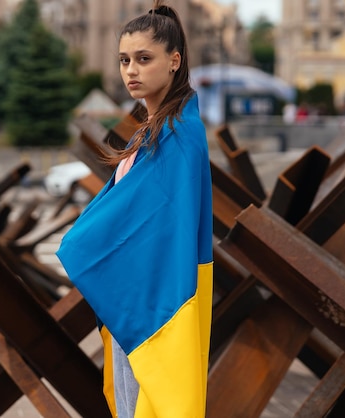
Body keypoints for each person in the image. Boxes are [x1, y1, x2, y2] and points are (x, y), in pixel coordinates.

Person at [56, 2, 213, 417]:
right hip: (140, 298)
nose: (131, 71)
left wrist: (79, 245)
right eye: (125, 60)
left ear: (174, 61)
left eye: (144, 59)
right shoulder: (156, 130)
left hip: (155, 302)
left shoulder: (178, 135)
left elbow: (154, 220)